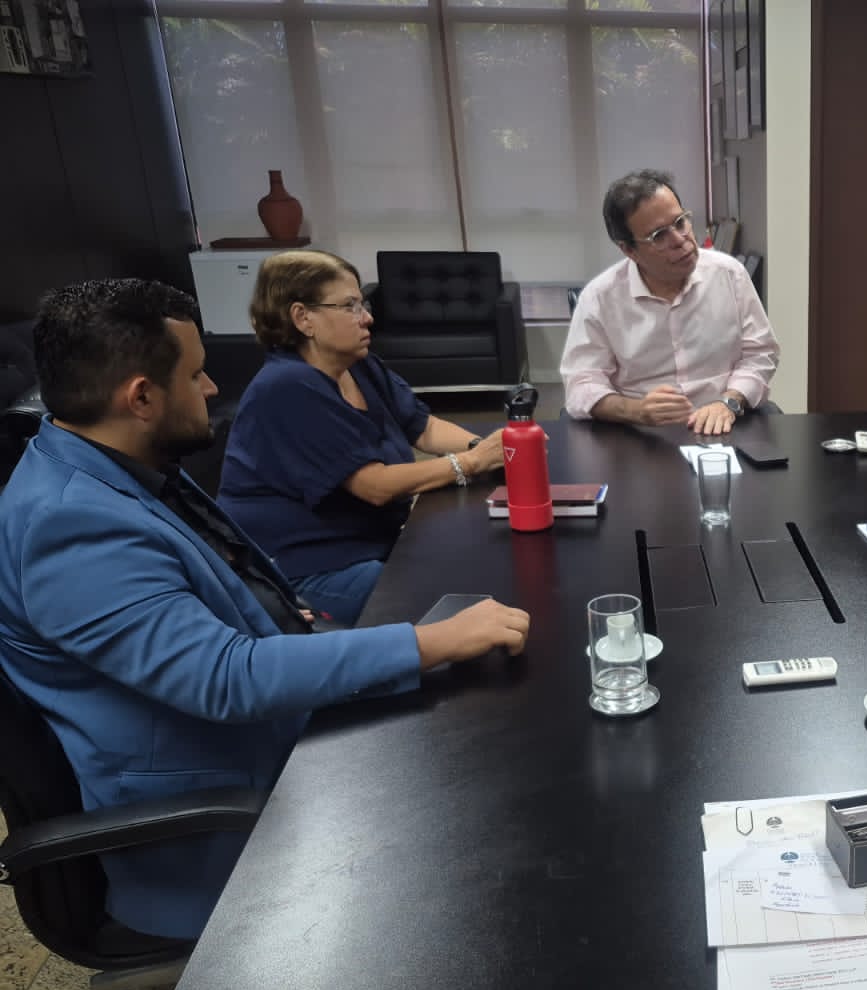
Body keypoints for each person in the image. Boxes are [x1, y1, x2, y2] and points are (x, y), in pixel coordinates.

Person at [0, 279, 530, 940]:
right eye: (195, 375)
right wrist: (430, 643)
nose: (212, 388)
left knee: (482, 724)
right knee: (497, 827)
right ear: (140, 398)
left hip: (267, 741)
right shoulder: (69, 526)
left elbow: (239, 598)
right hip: (220, 824)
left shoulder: (122, 464)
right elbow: (225, 677)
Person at [217, 250, 507, 625]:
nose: (367, 317)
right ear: (303, 318)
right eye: (350, 306)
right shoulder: (287, 386)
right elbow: (374, 485)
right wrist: (472, 462)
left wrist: (486, 448)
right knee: (444, 594)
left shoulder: (358, 364)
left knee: (474, 556)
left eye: (362, 304)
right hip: (306, 568)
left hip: (368, 543)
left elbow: (423, 426)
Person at [562, 168, 779, 436]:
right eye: (659, 236)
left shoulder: (729, 274)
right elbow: (581, 384)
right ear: (629, 250)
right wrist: (636, 410)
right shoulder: (600, 297)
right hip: (639, 433)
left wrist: (729, 402)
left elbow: (760, 354)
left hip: (725, 423)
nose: (680, 240)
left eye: (680, 222)